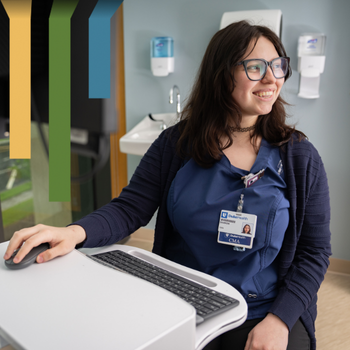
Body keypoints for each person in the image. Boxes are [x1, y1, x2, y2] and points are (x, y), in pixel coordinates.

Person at [3, 21, 331, 350]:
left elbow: (314, 253)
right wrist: (73, 233)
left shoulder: (299, 158)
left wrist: (280, 320)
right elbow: (130, 208)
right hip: (183, 298)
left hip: (261, 309)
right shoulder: (177, 143)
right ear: (222, 74)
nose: (272, 79)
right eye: (256, 67)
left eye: (278, 66)